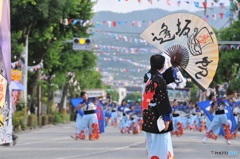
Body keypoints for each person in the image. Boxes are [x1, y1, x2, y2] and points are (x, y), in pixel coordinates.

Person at [142, 54, 179, 159]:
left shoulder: (148, 77)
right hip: (159, 116)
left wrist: (173, 67)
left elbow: (162, 78)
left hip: (148, 115)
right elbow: (163, 100)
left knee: (151, 144)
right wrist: (166, 118)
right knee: (161, 145)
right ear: (163, 65)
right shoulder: (158, 80)